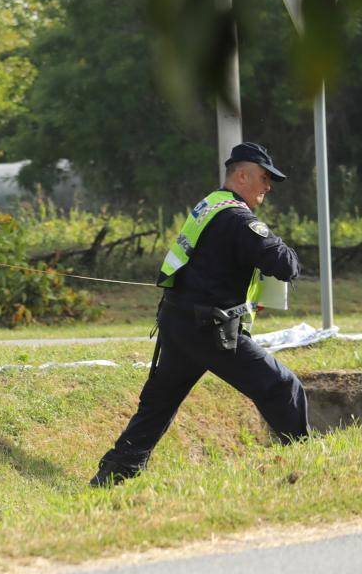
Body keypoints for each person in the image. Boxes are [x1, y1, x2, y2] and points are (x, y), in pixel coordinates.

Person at [91, 142, 308, 487]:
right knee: (283, 386)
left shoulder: (209, 205)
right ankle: (307, 463)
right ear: (242, 175)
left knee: (158, 405)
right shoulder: (237, 218)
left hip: (178, 323)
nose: (268, 187)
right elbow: (284, 265)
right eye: (264, 178)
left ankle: (113, 476)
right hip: (211, 329)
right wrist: (281, 245)